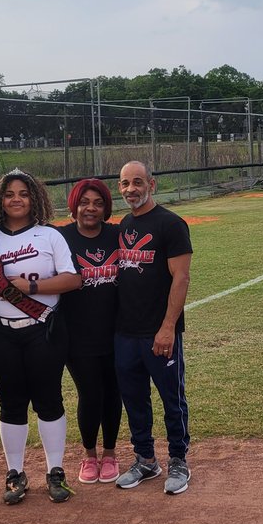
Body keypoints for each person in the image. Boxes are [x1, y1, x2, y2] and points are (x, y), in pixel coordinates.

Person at [0, 169, 82, 506]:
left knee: (48, 400)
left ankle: (55, 471)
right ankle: (15, 473)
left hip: (43, 330)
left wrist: (34, 287)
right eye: (9, 193)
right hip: (1, 331)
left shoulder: (49, 236)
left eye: (23, 193)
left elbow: (73, 280)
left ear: (34, 198)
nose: (16, 199)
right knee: (11, 403)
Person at [113, 161, 193, 495]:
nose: (130, 189)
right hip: (125, 333)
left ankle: (178, 461)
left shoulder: (171, 224)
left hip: (158, 332)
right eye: (123, 183)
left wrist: (167, 327)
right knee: (134, 400)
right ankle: (145, 459)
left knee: (172, 399)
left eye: (136, 182)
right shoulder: (124, 225)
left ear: (151, 184)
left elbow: (181, 277)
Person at [57, 178, 123, 485]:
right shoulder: (61, 238)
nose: (91, 209)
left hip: (118, 331)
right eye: (85, 202)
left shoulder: (117, 235)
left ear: (106, 207)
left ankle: (109, 454)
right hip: (77, 333)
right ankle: (89, 454)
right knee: (89, 393)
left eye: (98, 203)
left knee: (113, 392)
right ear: (74, 205)